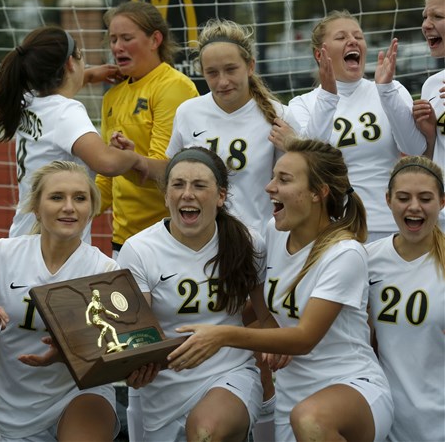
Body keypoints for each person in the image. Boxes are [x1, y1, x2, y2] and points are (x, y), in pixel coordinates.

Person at [166, 138, 394, 442]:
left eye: (284, 179)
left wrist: (219, 336)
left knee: (311, 419)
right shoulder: (274, 233)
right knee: (304, 417)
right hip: (292, 398)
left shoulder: (344, 253)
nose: (269, 187)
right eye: (273, 176)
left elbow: (303, 338)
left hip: (351, 388)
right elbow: (262, 311)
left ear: (318, 192)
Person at [0, 161, 120, 441]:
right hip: (16, 406)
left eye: (80, 198)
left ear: (91, 208)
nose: (69, 207)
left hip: (81, 391)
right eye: (57, 197)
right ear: (36, 207)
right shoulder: (2, 256)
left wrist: (72, 356)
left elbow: (121, 351)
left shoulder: (105, 271)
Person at [116, 147, 265, 441]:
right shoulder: (138, 250)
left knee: (206, 431)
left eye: (199, 185)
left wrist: (270, 397)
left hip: (229, 375)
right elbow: (136, 337)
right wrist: (132, 365)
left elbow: (266, 318)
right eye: (178, 184)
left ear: (221, 196)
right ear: (166, 193)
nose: (187, 194)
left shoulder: (249, 242)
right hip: (162, 387)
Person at [0, 25, 148, 238]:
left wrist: (88, 76)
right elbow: (107, 162)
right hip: (56, 243)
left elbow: (57, 94)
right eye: (81, 56)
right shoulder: (67, 112)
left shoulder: (28, 100)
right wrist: (135, 159)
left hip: (24, 234)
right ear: (70, 63)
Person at [289, 10, 428, 242]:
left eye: (358, 36)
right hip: (335, 227)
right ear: (319, 53)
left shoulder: (389, 89)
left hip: (391, 224)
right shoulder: (302, 103)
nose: (352, 41)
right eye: (341, 37)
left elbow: (415, 150)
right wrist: (327, 95)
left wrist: (386, 91)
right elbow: (312, 161)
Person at [166, 18, 300, 235]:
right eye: (212, 73)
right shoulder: (187, 113)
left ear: (250, 66)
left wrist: (294, 145)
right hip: (202, 241)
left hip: (258, 243)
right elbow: (172, 174)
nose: (223, 81)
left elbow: (300, 181)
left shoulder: (278, 116)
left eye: (231, 69)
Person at [96, 0, 199, 256]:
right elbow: (106, 179)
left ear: (154, 40)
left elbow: (166, 169)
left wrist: (129, 160)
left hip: (167, 238)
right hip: (123, 240)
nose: (117, 47)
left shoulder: (174, 87)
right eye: (113, 39)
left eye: (127, 38)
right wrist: (75, 206)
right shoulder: (112, 96)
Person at [367, 155, 445, 442]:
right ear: (387, 200)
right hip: (386, 424)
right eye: (403, 197)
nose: (414, 207)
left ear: (442, 202)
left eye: (425, 198)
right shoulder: (366, 260)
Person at [413, 0, 445, 230]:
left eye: (438, 16)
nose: (426, 24)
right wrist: (430, 136)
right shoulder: (432, 85)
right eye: (425, 16)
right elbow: (432, 158)